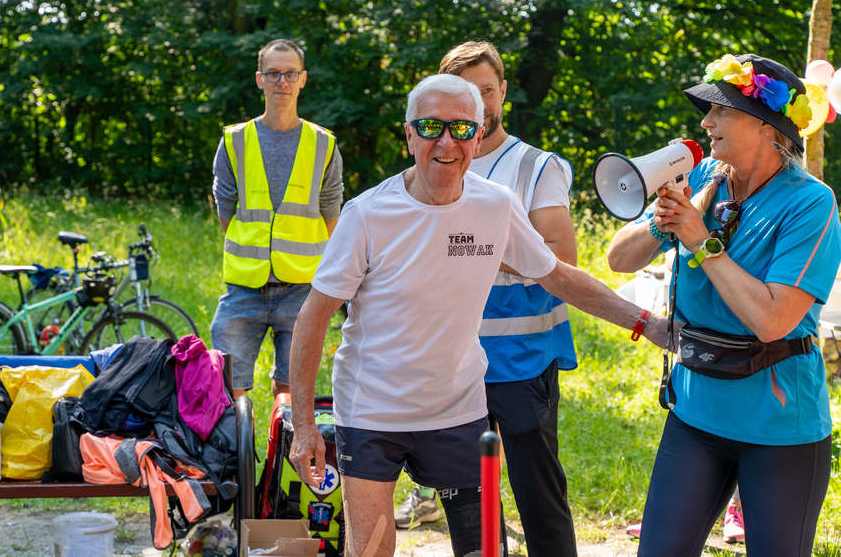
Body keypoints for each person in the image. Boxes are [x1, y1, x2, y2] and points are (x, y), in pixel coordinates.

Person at [288, 73, 668, 557]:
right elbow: (313, 316)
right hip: (373, 411)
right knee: (372, 551)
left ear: (479, 134)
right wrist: (303, 426)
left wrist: (649, 324)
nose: (446, 142)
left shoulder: (495, 205)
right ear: (409, 135)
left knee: (484, 550)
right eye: (431, 127)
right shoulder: (368, 215)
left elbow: (558, 276)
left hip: (458, 410)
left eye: (462, 129)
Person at [607, 53, 841, 556]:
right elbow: (618, 260)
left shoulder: (811, 203)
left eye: (721, 111)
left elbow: (773, 319)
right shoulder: (705, 175)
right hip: (696, 414)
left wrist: (698, 238)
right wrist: (662, 219)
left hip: (779, 430)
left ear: (764, 125)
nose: (705, 122)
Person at [393, 41, 580, 556]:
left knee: (539, 503)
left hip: (520, 363)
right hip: (451, 366)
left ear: (503, 95)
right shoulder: (432, 161)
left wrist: (470, 246)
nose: (480, 102)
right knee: (471, 510)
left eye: (488, 91)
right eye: (466, 93)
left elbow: (562, 256)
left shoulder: (535, 167)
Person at [210, 39, 343, 397]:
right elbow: (225, 208)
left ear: (302, 79)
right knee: (226, 392)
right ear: (259, 79)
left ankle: (280, 452)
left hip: (302, 290)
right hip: (244, 288)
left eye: (289, 73)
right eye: (273, 74)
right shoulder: (234, 140)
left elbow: (332, 213)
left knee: (292, 397)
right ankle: (235, 453)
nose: (281, 81)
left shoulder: (323, 144)